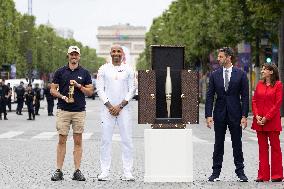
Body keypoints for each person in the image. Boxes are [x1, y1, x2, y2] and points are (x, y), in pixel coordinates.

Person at [205, 47, 249, 182]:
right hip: (219, 113)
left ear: (229, 57)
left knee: (237, 143)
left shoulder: (241, 74)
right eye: (218, 57)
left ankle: (240, 172)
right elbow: (210, 96)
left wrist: (244, 116)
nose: (218, 59)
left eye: (220, 57)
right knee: (218, 144)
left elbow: (245, 97)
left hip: (235, 113)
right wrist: (208, 115)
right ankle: (215, 172)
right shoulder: (214, 75)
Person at [50, 45, 93, 181]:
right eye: (71, 54)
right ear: (68, 55)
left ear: (79, 56)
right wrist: (63, 97)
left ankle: (77, 170)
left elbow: (90, 91)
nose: (74, 56)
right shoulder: (60, 72)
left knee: (78, 141)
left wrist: (79, 86)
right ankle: (58, 170)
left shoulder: (85, 73)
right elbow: (52, 90)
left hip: (79, 111)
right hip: (63, 109)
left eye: (76, 54)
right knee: (61, 140)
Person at [96, 44, 136, 181]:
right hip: (107, 110)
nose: (116, 53)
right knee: (105, 141)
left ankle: (127, 172)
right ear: (110, 53)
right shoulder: (103, 69)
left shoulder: (129, 69)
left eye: (119, 51)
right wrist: (109, 105)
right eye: (114, 51)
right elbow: (100, 89)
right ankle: (104, 171)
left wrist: (120, 105)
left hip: (124, 110)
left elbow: (132, 89)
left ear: (122, 54)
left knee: (127, 141)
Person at [252, 63, 283, 182]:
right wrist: (257, 115)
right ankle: (262, 175)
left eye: (265, 69)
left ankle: (277, 175)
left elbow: (278, 103)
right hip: (259, 121)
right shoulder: (259, 84)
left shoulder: (278, 85)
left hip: (272, 122)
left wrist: (267, 117)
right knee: (262, 148)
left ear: (271, 72)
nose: (262, 71)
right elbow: (254, 101)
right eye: (263, 69)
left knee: (275, 148)